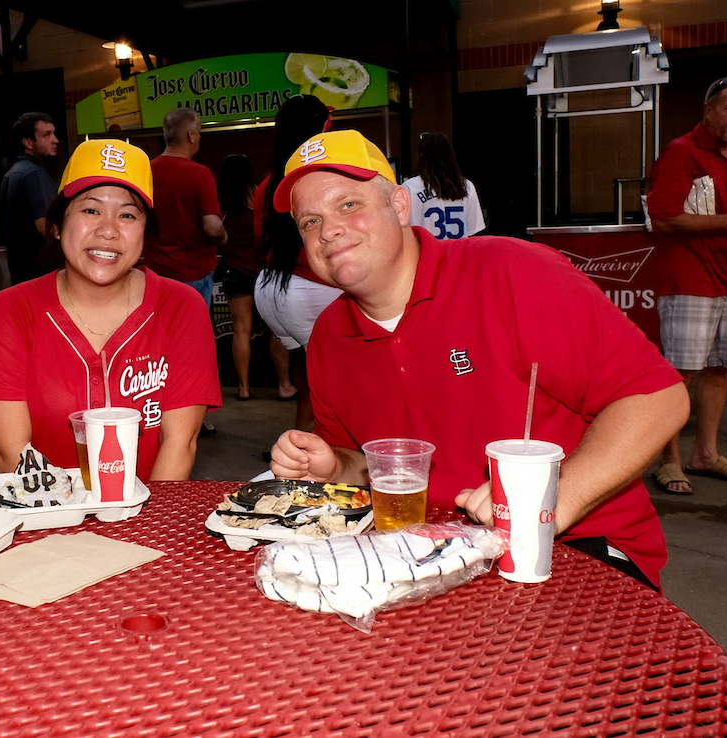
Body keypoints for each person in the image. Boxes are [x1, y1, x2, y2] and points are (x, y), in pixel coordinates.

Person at [268, 129, 688, 590]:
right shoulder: (330, 334)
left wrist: (553, 499)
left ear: (401, 205)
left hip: (575, 547)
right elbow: (371, 464)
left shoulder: (509, 270)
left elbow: (658, 398)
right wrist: (335, 467)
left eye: (349, 204)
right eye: (309, 221)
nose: (328, 230)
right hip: (426, 557)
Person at [0, 138, 221, 480]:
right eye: (90, 209)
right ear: (56, 226)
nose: (108, 230)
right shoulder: (9, 312)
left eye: (128, 214)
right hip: (45, 518)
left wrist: (148, 529)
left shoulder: (180, 307)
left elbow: (180, 442)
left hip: (150, 516)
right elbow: (11, 454)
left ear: (145, 232)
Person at [647, 75, 727, 495]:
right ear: (708, 112)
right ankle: (666, 459)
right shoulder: (682, 152)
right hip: (689, 277)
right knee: (679, 373)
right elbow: (663, 217)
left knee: (720, 368)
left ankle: (705, 453)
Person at [254, 95, 342, 428]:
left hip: (269, 288)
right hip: (311, 289)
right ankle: (333, 446)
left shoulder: (267, 182)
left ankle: (303, 440)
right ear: (322, 126)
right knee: (340, 376)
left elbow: (259, 243)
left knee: (310, 374)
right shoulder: (320, 176)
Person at [145, 107, 227, 308]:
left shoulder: (146, 171)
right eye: (198, 131)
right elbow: (212, 227)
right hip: (193, 273)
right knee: (192, 334)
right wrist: (224, 236)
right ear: (191, 136)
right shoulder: (200, 174)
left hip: (155, 272)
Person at [218, 154, 263, 401]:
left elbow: (215, 233)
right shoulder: (257, 194)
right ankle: (286, 384)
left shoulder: (221, 201)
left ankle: (244, 387)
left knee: (241, 330)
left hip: (233, 269)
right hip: (262, 271)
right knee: (277, 332)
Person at [0, 112, 61, 284]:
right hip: (41, 274)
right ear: (27, 142)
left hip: (21, 275)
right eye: (46, 135)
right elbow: (47, 227)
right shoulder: (33, 174)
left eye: (53, 133)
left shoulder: (13, 173)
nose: (55, 140)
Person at [402, 132, 485, 240]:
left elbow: (406, 234)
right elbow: (472, 233)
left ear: (422, 156)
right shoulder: (466, 186)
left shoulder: (410, 187)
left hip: (428, 254)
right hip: (459, 254)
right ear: (450, 155)